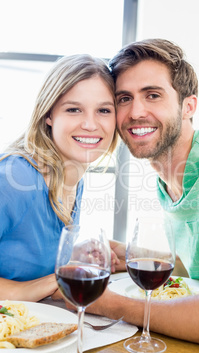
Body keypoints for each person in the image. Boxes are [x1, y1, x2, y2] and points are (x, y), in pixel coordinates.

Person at [83, 39, 199, 353]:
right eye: (124, 98)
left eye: (152, 95)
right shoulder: (168, 174)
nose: (135, 111)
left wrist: (112, 305)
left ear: (188, 106)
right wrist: (131, 256)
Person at [0, 54, 118, 302]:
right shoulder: (15, 179)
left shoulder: (75, 177)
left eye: (103, 110)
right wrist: (26, 290)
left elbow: (22, 250)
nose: (90, 124)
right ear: (49, 115)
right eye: (73, 109)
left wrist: (72, 254)